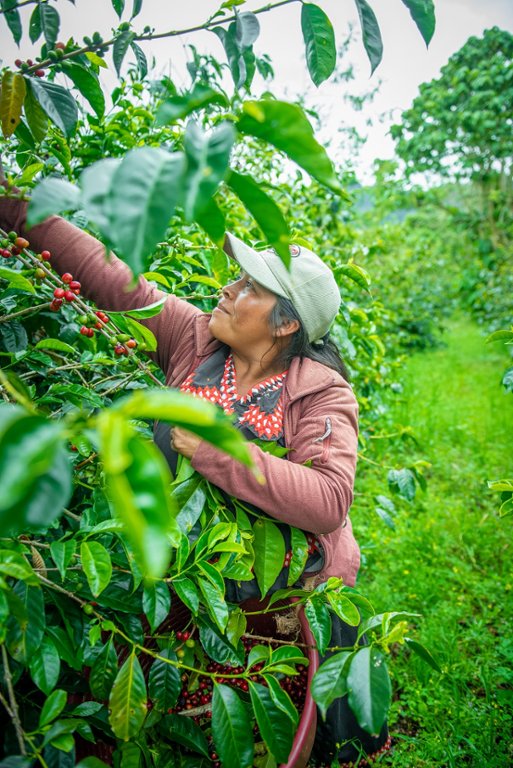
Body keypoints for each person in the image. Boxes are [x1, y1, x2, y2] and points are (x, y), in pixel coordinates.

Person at [0, 189, 390, 766]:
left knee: (243, 729)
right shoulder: (196, 336)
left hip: (270, 598)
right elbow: (109, 277)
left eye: (250, 287)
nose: (227, 290)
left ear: (285, 324)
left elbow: (329, 499)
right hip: (183, 575)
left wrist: (213, 449)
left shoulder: (319, 392)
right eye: (237, 278)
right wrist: (16, 208)